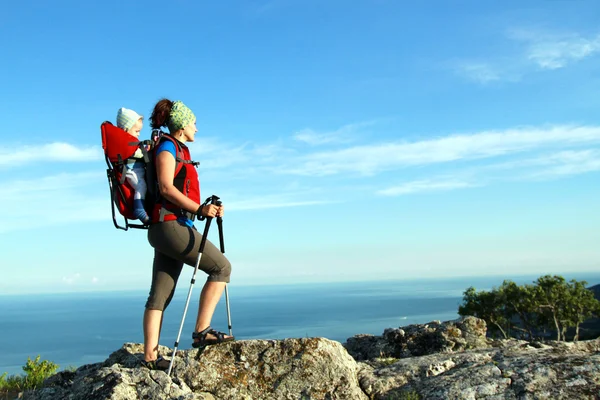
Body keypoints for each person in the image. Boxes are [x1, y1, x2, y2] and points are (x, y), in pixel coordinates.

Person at [141, 99, 234, 370]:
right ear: (181, 126)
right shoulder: (168, 148)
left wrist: (204, 208)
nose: (196, 128)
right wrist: (201, 208)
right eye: (193, 123)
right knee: (221, 267)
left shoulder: (172, 147)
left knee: (159, 295)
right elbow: (167, 188)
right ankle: (202, 330)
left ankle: (150, 356)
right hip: (171, 227)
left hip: (165, 227)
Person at [116, 107, 150, 224]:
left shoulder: (130, 143)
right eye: (136, 131)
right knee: (141, 186)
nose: (138, 134)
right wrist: (147, 150)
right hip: (132, 171)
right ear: (126, 130)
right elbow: (137, 153)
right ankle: (139, 209)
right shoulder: (126, 143)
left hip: (137, 169)